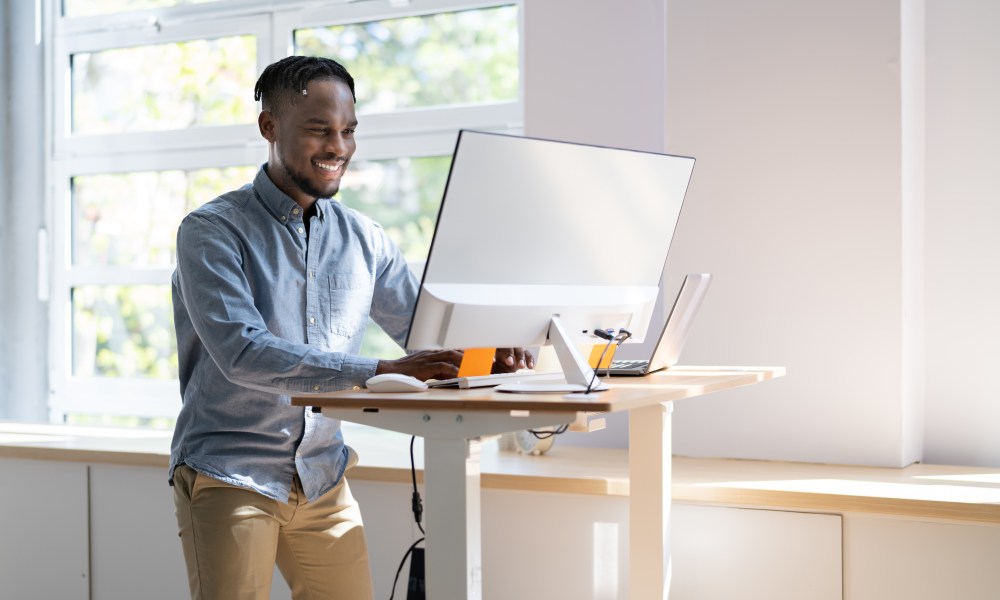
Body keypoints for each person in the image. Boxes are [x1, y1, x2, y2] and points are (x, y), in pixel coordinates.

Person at [169, 55, 533, 600]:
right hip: (232, 470)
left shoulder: (365, 239)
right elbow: (242, 353)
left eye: (347, 130)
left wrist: (489, 346)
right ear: (270, 128)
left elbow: (425, 333)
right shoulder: (211, 231)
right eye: (319, 130)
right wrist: (380, 371)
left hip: (321, 476)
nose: (338, 146)